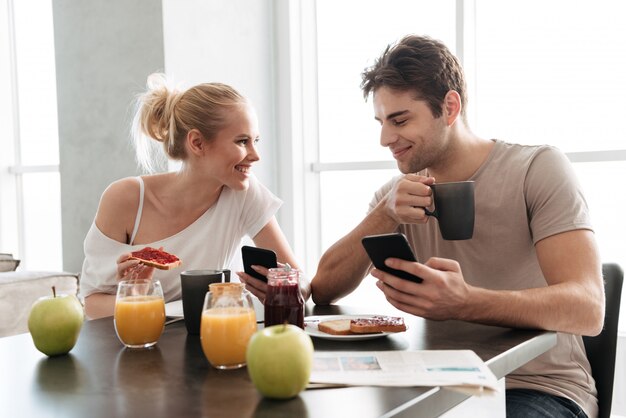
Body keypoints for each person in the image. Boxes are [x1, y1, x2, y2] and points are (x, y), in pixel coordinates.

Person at [310, 35, 604, 418]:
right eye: (381, 122)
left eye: (399, 120)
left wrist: (466, 302)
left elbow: (588, 308)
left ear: (449, 107)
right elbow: (323, 288)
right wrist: (384, 213)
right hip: (436, 386)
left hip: (534, 387)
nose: (385, 139)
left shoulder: (537, 168)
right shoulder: (396, 196)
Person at [80, 73, 308, 319]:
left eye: (256, 141)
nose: (255, 155)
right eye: (242, 141)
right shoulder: (125, 199)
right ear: (197, 143)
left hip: (206, 341)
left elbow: (302, 282)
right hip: (130, 345)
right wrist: (137, 296)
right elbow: (91, 303)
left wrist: (285, 291)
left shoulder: (244, 193)